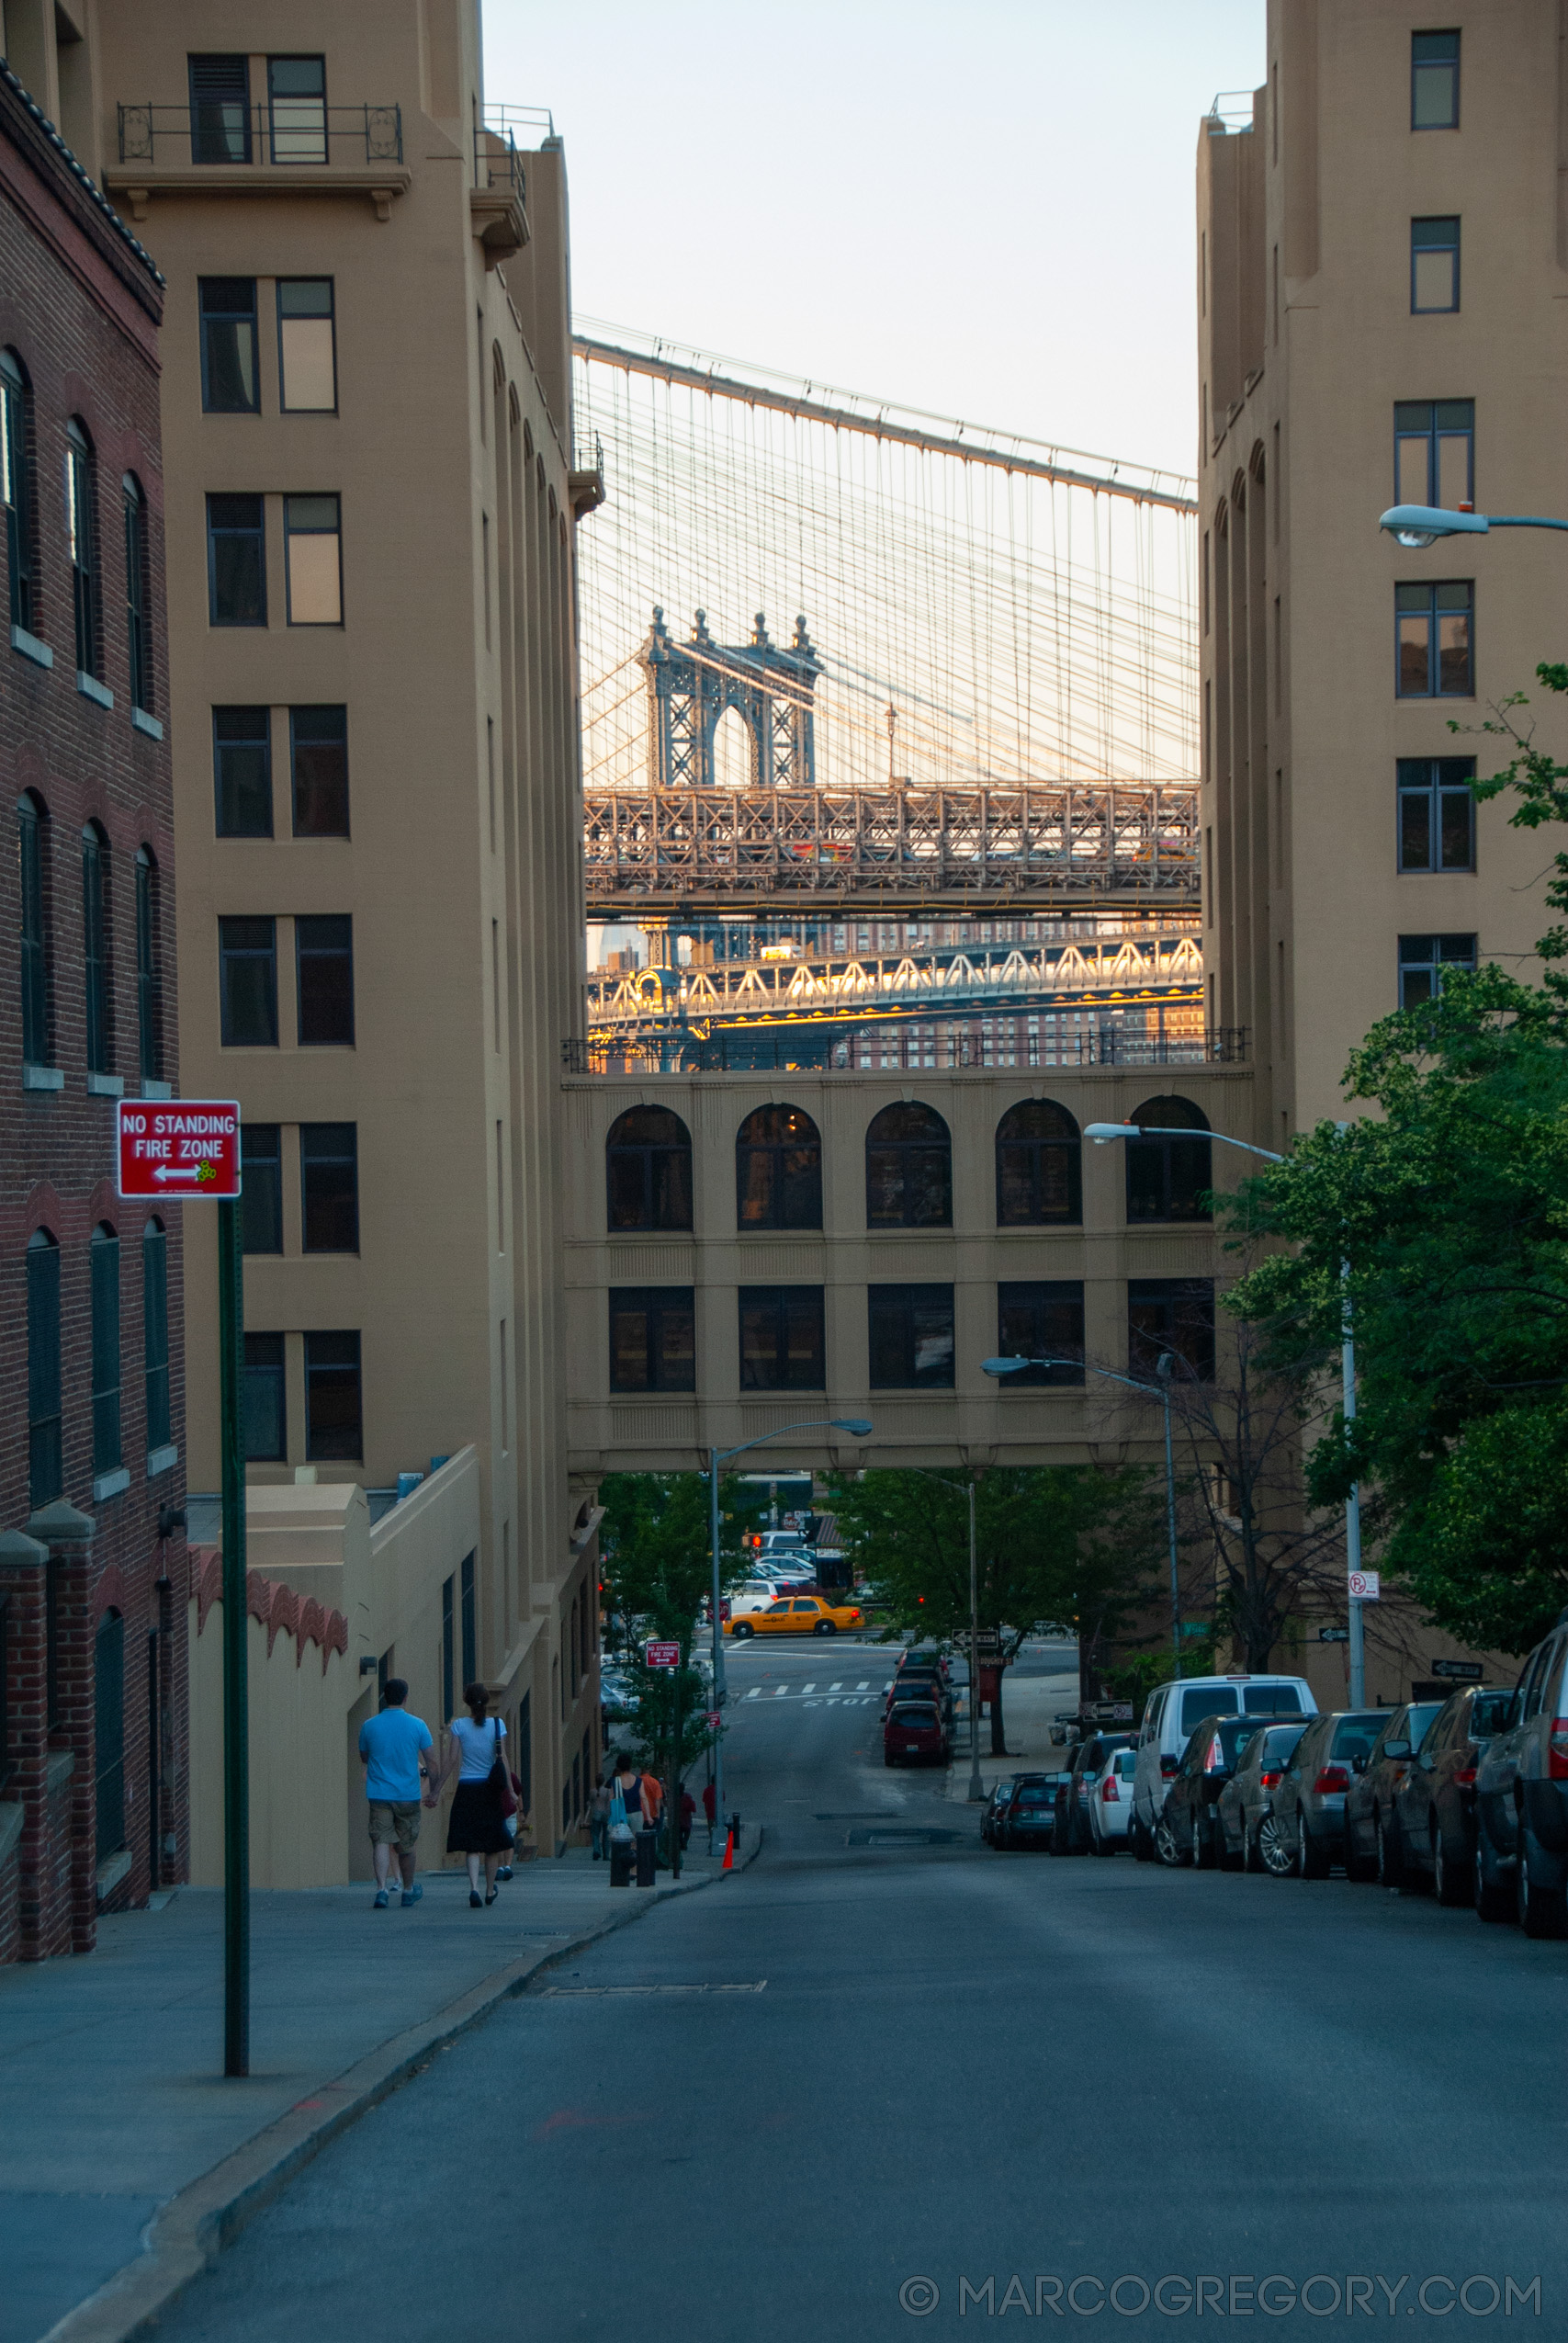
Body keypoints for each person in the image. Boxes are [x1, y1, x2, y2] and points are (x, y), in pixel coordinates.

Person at [432, 1681, 512, 1907]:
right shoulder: (498, 1725)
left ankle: (474, 1887)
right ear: (486, 1701)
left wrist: (436, 1789)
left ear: (466, 1702)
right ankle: (489, 1890)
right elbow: (502, 1758)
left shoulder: (459, 1726)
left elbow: (451, 1760)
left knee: (472, 1844)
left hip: (467, 1788)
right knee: (492, 1845)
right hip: (490, 1789)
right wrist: (512, 1791)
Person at [359, 1678, 434, 1909]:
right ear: (405, 1697)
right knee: (407, 1843)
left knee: (381, 1841)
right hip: (408, 1795)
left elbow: (365, 1757)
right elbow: (431, 1760)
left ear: (384, 1696)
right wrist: (436, 1787)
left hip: (379, 1793)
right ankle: (408, 1889)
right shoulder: (418, 1725)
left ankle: (381, 1889)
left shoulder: (369, 1725)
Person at [589, 1775, 612, 1860]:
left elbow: (590, 1802)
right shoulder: (607, 1791)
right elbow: (609, 1803)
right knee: (606, 1835)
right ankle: (606, 1854)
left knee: (595, 1834)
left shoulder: (592, 1791)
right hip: (605, 1814)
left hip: (596, 1814)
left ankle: (596, 1850)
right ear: (603, 1781)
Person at [679, 1787, 696, 1851]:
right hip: (686, 1817)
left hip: (679, 1818)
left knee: (679, 1832)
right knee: (687, 1831)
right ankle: (684, 1843)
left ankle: (682, 1843)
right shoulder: (687, 1797)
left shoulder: (675, 1797)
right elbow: (692, 1807)